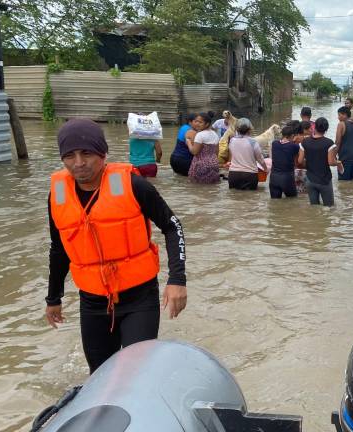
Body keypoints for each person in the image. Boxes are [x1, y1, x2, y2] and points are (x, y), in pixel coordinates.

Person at [45, 119, 187, 374]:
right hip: (92, 302)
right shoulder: (57, 194)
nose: (78, 163)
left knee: (138, 373)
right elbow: (59, 248)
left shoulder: (133, 185)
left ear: (103, 152)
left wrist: (177, 279)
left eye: (87, 153)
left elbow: (172, 226)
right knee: (100, 375)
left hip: (139, 298)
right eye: (69, 155)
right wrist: (53, 298)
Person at [297, 117, 342, 206]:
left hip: (310, 180)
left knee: (314, 208)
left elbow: (300, 161)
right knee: (329, 207)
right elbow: (331, 162)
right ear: (326, 129)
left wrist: (311, 162)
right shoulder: (329, 143)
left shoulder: (305, 142)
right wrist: (339, 163)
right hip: (324, 180)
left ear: (314, 127)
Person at [226, 118, 267, 190]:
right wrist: (266, 169)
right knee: (249, 198)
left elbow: (232, 155)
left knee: (233, 198)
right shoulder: (253, 142)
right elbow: (260, 159)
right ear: (249, 129)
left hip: (233, 174)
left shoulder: (232, 140)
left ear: (237, 129)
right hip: (249, 175)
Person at [187, 112, 222, 184]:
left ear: (207, 124)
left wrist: (189, 143)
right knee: (211, 189)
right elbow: (217, 152)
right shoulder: (215, 134)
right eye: (196, 121)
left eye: (200, 122)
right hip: (214, 164)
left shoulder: (200, 135)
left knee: (197, 189)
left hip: (201, 165)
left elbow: (194, 152)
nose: (197, 124)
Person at [269, 122, 300, 198]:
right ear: (292, 136)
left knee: (275, 203)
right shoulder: (294, 146)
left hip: (273, 178)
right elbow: (298, 161)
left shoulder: (274, 143)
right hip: (287, 178)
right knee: (292, 201)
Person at [335, 106, 353, 181]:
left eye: (339, 115)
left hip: (345, 159)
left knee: (343, 183)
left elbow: (337, 142)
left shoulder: (341, 124)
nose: (338, 117)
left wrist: (333, 156)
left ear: (344, 115)